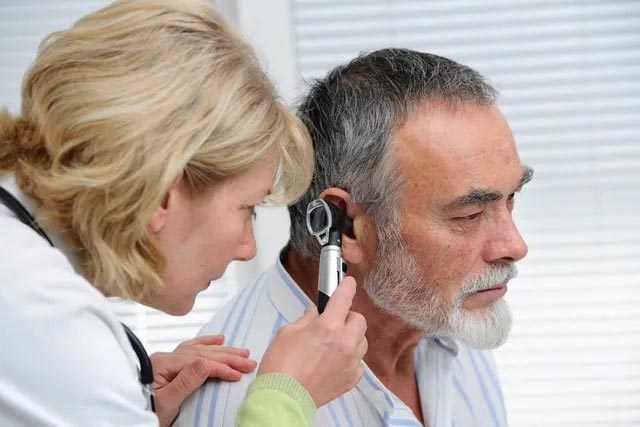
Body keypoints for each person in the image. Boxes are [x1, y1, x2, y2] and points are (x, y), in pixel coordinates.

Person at [0, 1, 367, 426]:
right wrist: (286, 395)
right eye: (246, 207)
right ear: (158, 195)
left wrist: (124, 400)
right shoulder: (55, 329)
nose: (248, 250)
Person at [176, 48, 534, 427]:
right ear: (346, 226)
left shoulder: (447, 312)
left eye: (510, 199)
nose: (514, 246)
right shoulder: (231, 401)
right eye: (470, 215)